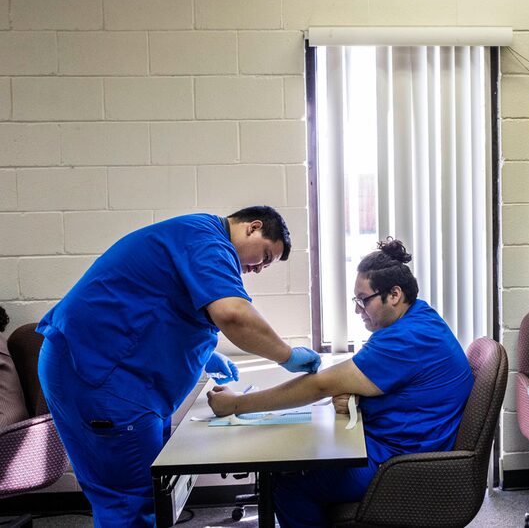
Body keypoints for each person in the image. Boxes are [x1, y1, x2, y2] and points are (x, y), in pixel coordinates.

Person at [36, 206, 321, 527]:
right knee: (131, 499)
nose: (257, 269)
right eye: (265, 257)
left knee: (153, 491)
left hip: (121, 376)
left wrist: (201, 355)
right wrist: (286, 355)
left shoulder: (197, 236)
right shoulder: (209, 242)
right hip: (97, 375)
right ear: (253, 228)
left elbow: (160, 308)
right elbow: (233, 314)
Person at [207, 237, 474, 528]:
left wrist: (237, 404)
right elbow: (383, 381)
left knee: (290, 482)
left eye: (363, 300)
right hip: (399, 446)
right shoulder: (419, 318)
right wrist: (358, 397)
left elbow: (321, 385)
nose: (358, 309)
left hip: (401, 465)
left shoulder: (405, 339)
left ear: (394, 294)